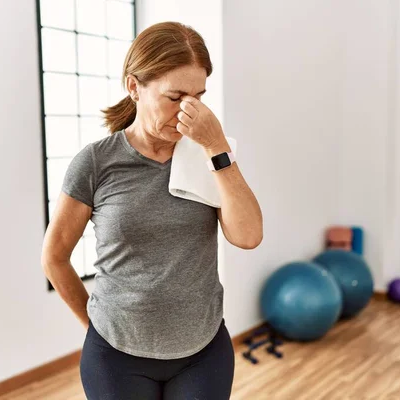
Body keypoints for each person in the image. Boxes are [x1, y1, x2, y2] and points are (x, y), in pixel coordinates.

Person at [41, 21, 263, 400]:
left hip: (203, 351)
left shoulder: (210, 154)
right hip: (116, 356)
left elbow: (248, 236)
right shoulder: (96, 163)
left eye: (198, 97)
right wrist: (96, 327)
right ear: (134, 87)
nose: (187, 111)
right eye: (175, 97)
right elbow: (55, 256)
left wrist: (216, 148)